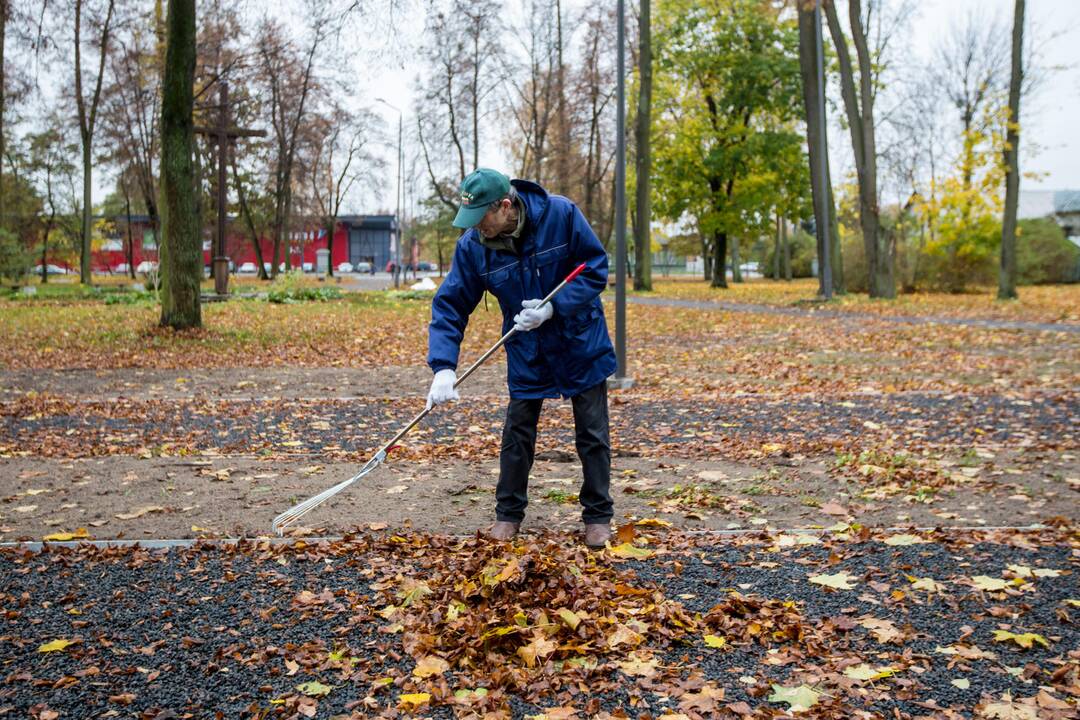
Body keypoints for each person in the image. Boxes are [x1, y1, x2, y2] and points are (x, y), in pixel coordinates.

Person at [426, 168, 617, 549]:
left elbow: (595, 268)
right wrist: (443, 366)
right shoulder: (473, 246)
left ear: (505, 206)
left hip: (580, 339)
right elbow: (450, 305)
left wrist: (553, 308)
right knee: (517, 434)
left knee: (592, 433)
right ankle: (508, 514)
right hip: (527, 350)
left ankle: (598, 516)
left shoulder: (560, 215)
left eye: (482, 217)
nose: (477, 227)